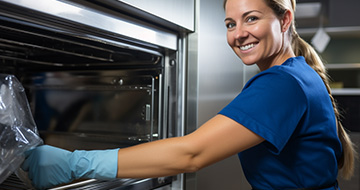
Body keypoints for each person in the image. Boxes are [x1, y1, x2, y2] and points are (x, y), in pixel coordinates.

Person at [21, 0, 357, 189]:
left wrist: (76, 162)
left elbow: (191, 154)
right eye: (229, 24)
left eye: (251, 19)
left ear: (284, 20)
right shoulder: (298, 75)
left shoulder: (283, 84)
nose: (239, 34)